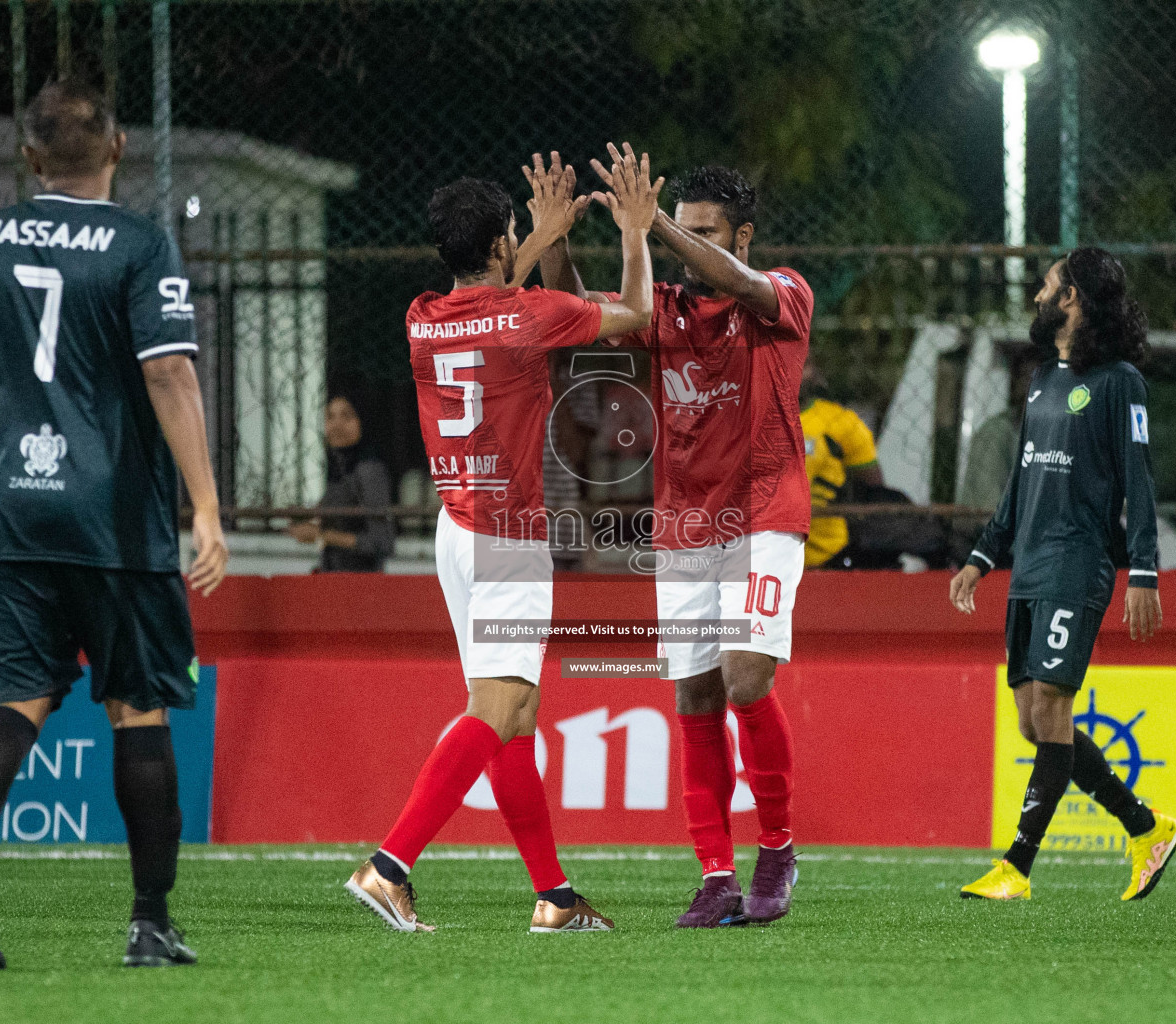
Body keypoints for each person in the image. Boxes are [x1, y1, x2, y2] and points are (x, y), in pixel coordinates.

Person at [0, 77, 228, 969]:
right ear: (120, 147)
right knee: (139, 705)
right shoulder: (138, 242)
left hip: (10, 501)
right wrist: (205, 505)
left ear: (29, 156)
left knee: (18, 693)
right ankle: (148, 923)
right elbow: (169, 374)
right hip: (112, 515)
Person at [342, 145, 662, 933]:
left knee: (516, 716)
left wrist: (536, 238)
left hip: (458, 532)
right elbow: (637, 317)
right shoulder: (528, 316)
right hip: (509, 540)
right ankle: (388, 867)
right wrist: (632, 232)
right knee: (497, 705)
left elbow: (490, 298)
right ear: (496, 247)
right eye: (511, 234)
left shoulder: (419, 318)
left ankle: (553, 897)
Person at [544, 156, 810, 927]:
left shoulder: (783, 295)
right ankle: (716, 873)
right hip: (684, 527)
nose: (684, 251)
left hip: (764, 515)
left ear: (742, 236)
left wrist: (651, 224)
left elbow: (740, 283)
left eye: (703, 234)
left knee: (747, 680)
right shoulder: (661, 311)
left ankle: (779, 847)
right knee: (693, 695)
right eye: (681, 232)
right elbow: (569, 309)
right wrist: (556, 237)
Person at [949, 247, 1176, 902]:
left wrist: (1145, 572)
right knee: (1033, 721)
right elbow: (1023, 480)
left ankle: (1016, 867)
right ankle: (1146, 827)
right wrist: (983, 556)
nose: (1036, 298)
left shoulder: (1119, 383)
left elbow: (1140, 480)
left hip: (1079, 564)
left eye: (1046, 287)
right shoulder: (1045, 379)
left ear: (1071, 298)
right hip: (1030, 565)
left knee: (1050, 705)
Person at [290, 395, 394, 572]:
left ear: (362, 421)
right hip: (335, 581)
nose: (337, 425)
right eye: (330, 417)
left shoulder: (369, 470)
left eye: (347, 416)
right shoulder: (340, 469)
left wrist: (322, 535)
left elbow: (381, 542)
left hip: (361, 585)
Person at [799, 358, 883, 568]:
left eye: (803, 362)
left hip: (829, 558)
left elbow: (874, 490)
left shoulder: (842, 423)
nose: (793, 368)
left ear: (815, 372)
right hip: (756, 555)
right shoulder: (740, 418)